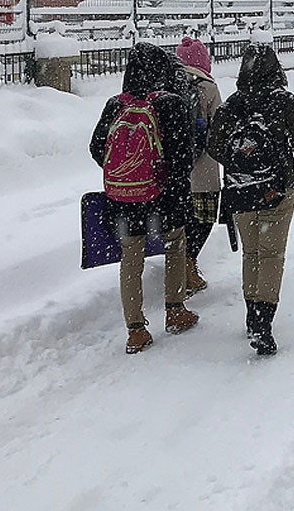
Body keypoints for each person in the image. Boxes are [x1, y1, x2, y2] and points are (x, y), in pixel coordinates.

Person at [207, 42, 294, 356]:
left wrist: (240, 159)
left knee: (252, 254)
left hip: (240, 191)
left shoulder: (231, 105)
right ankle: (263, 323)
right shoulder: (284, 101)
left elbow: (213, 145)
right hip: (276, 189)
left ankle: (251, 315)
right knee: (272, 256)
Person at [89, 42, 199, 354]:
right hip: (163, 197)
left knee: (130, 258)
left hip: (123, 199)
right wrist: (165, 182)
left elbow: (97, 148)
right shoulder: (170, 103)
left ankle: (135, 330)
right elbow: (183, 155)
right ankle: (175, 310)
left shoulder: (115, 105)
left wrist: (126, 171)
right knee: (176, 245)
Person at [175, 36, 223, 297]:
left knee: (180, 220)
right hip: (203, 169)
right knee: (203, 219)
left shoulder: (169, 84)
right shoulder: (208, 87)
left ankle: (180, 265)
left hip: (175, 169)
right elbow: (220, 127)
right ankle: (189, 264)